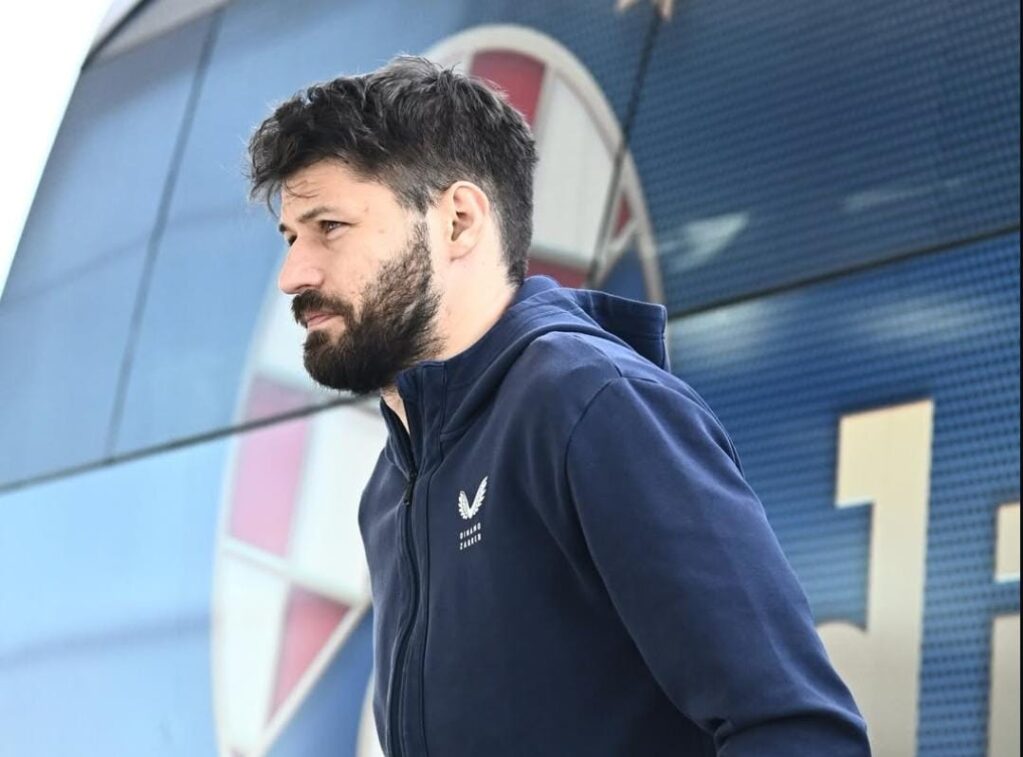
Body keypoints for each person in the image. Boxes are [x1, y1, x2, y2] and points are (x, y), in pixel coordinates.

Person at [247, 56, 870, 757]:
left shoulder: (591, 405)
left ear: (457, 222)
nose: (293, 274)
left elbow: (796, 730)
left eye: (330, 226)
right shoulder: (391, 486)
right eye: (291, 236)